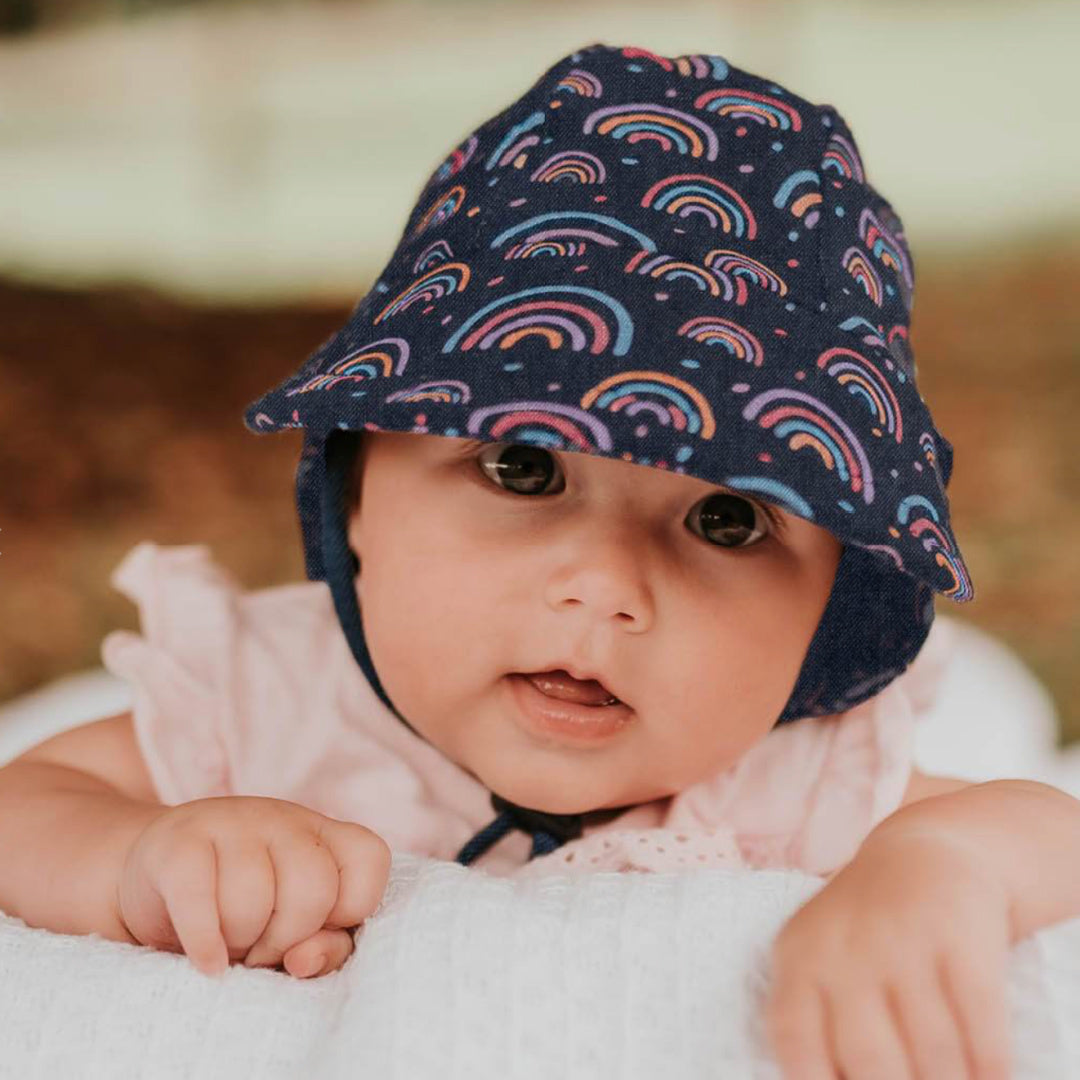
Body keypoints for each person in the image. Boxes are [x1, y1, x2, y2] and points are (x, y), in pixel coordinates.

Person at [2, 42, 1078, 1079]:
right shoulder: (270, 695)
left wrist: (938, 866)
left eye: (727, 522)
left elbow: (1048, 833)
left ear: (831, 602)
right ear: (356, 493)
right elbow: (32, 802)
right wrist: (138, 858)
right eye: (522, 470)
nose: (603, 590)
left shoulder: (789, 768)